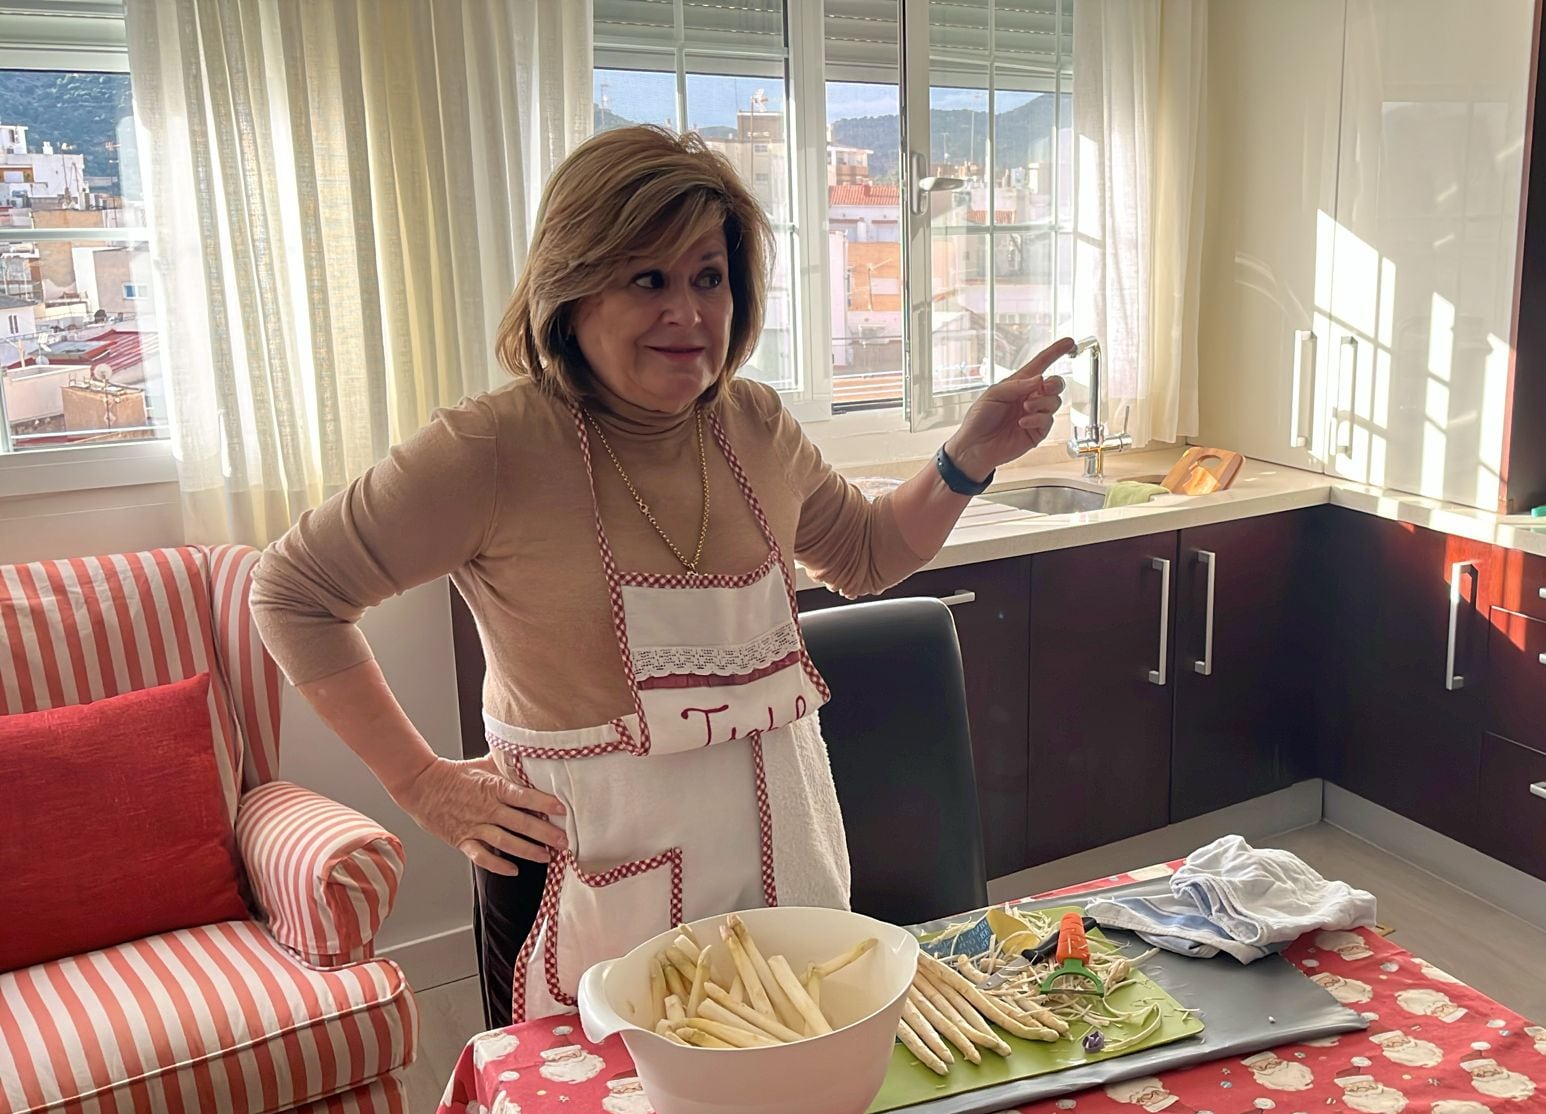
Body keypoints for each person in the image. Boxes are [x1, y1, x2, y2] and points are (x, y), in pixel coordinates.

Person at [250, 126, 1071, 1027]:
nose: (688, 313)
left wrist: (967, 456)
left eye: (708, 278)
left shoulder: (756, 425)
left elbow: (866, 554)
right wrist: (421, 784)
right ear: (572, 290)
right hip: (593, 895)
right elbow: (291, 593)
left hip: (786, 873)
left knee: (804, 1090)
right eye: (648, 279)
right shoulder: (492, 449)